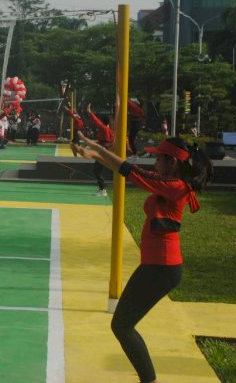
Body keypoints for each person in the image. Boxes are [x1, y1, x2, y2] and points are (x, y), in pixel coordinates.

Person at [71, 134, 212, 383]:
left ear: (172, 162)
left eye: (158, 157)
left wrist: (97, 148)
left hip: (162, 269)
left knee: (122, 326)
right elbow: (127, 170)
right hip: (155, 266)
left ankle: (149, 380)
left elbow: (130, 170)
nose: (154, 161)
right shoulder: (171, 182)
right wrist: (94, 155)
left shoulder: (175, 186)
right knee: (122, 325)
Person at [87, 103, 113, 196]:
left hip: (103, 152)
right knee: (97, 170)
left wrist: (90, 112)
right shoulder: (109, 129)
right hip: (104, 151)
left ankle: (103, 190)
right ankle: (102, 188)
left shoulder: (104, 128)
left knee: (97, 171)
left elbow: (96, 121)